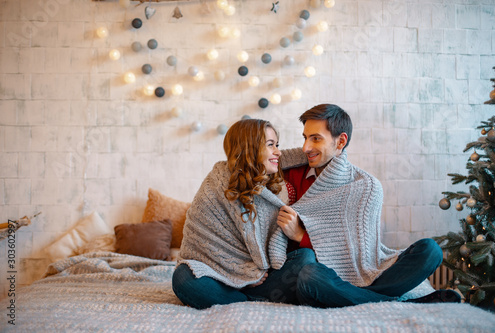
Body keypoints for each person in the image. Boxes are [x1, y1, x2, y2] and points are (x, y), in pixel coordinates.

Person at [275, 104, 461, 308]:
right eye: (305, 137)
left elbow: (360, 254)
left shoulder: (365, 186)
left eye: (316, 138)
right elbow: (249, 163)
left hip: (355, 275)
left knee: (431, 250)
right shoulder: (290, 173)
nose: (305, 148)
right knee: (310, 275)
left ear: (341, 141)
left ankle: (359, 296)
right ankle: (399, 303)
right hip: (322, 273)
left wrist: (301, 236)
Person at [172, 119, 316, 310]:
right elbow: (201, 248)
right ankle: (253, 303)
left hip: (264, 279)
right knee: (183, 277)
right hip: (222, 278)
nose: (278, 152)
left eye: (277, 145)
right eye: (271, 145)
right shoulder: (215, 186)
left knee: (305, 258)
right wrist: (243, 274)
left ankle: (239, 302)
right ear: (250, 148)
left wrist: (335, 153)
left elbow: (274, 252)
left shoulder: (275, 188)